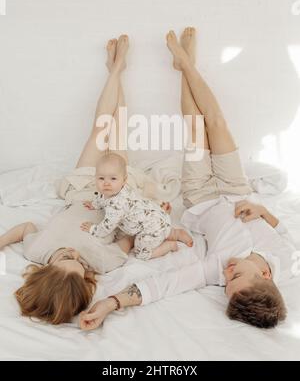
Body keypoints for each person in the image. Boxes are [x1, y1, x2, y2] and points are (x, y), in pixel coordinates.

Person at [79, 27, 296, 331]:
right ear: (267, 276)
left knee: (196, 126)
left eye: (226, 286)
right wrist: (264, 212)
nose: (228, 272)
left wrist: (110, 303)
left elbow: (164, 284)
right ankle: (185, 63)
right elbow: (284, 232)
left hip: (202, 195)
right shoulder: (287, 260)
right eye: (236, 276)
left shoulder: (214, 269)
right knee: (217, 123)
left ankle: (184, 65)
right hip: (236, 187)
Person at [0, 35, 137, 324]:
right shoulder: (103, 262)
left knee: (101, 126)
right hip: (114, 194)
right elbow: (127, 238)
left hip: (81, 189)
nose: (70, 253)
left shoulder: (37, 252)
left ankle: (116, 69)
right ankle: (117, 69)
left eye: (63, 259)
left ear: (46, 270)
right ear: (86, 279)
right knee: (119, 128)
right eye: (76, 262)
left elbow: (24, 227)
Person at [80, 151, 193, 260]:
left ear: (124, 180)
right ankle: (175, 233)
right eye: (101, 178)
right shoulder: (116, 190)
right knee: (162, 228)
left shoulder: (117, 206)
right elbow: (102, 197)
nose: (106, 183)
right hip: (157, 214)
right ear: (95, 178)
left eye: (113, 178)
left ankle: (169, 246)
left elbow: (106, 227)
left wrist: (93, 229)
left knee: (141, 254)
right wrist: (95, 204)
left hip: (151, 228)